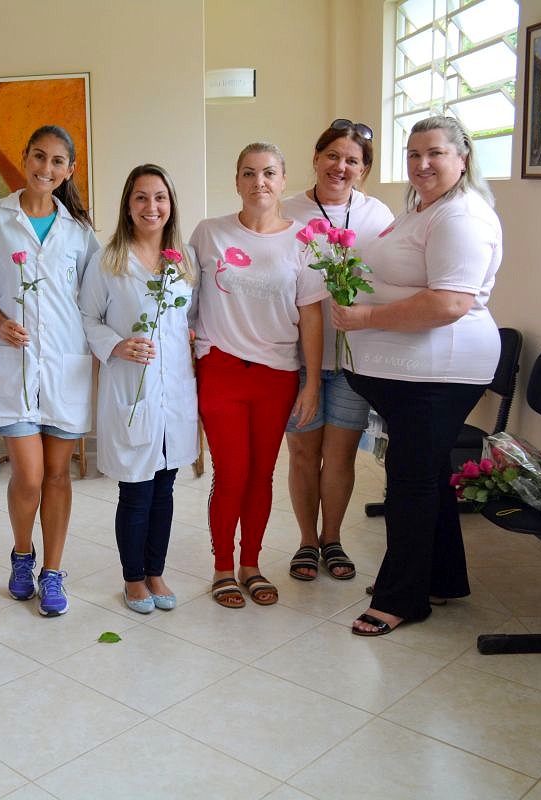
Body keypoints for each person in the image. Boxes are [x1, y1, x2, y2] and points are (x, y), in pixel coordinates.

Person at [335, 116, 501, 636]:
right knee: (425, 475)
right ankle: (442, 578)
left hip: (440, 373)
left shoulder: (462, 217)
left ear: (463, 157)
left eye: (434, 153)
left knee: (410, 481)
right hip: (415, 375)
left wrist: (363, 318)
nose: (422, 164)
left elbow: (450, 302)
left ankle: (401, 598)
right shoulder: (425, 209)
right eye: (413, 154)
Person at [190, 142, 327, 610]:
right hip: (222, 368)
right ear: (236, 182)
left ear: (284, 180)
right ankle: (223, 568)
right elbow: (183, 303)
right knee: (231, 473)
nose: (259, 182)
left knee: (262, 475)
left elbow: (311, 316)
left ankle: (252, 564)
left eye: (268, 173)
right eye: (248, 173)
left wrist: (310, 383)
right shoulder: (209, 234)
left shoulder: (305, 239)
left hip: (278, 373)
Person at [0, 124, 100, 617]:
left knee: (57, 475)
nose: (46, 168)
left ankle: (53, 572)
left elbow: (93, 299)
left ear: (70, 169)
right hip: (14, 362)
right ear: (24, 157)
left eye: (57, 161)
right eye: (38, 157)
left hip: (64, 363)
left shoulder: (80, 232)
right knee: (27, 475)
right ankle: (22, 556)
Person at [79, 164, 197, 614]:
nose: (152, 207)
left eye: (160, 198)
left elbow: (189, 321)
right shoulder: (108, 262)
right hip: (130, 389)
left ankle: (156, 571)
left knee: (165, 487)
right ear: (128, 206)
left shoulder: (183, 260)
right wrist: (117, 345)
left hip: (174, 392)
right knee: (136, 490)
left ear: (171, 205)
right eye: (142, 198)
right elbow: (88, 319)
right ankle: (132, 579)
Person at [281, 120, 395, 582]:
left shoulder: (378, 216)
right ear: (315, 157)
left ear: (364, 170)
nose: (340, 167)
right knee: (304, 455)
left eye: (352, 160)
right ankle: (307, 542)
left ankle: (333, 539)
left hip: (354, 359)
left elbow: (389, 280)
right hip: (298, 359)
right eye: (332, 156)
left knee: (342, 456)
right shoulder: (286, 211)